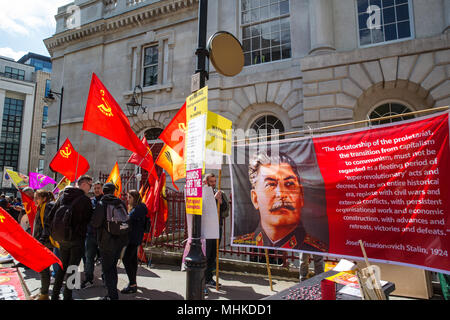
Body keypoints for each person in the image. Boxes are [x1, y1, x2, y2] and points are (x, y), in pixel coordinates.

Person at [235, 150, 328, 252]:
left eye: (289, 184)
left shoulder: (320, 250)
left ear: (301, 195)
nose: (281, 194)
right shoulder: (240, 246)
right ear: (255, 198)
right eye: (271, 185)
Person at [48, 175, 94, 300]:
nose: (91, 188)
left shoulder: (63, 196)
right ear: (83, 184)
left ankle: (56, 294)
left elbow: (51, 216)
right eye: (90, 185)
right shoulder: (84, 200)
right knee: (73, 267)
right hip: (77, 239)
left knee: (63, 266)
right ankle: (67, 295)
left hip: (62, 238)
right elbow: (90, 219)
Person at [91, 182, 129, 300]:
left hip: (106, 242)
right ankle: (113, 294)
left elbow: (95, 223)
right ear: (114, 191)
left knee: (107, 270)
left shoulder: (102, 203)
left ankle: (112, 295)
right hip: (119, 241)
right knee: (113, 268)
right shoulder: (121, 202)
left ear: (104, 191)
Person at [203, 173, 228, 289]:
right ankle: (203, 280)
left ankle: (209, 278)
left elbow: (223, 211)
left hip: (217, 226)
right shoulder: (203, 192)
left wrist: (220, 201)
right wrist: (213, 199)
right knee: (206, 255)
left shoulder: (218, 193)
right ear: (206, 181)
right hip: (207, 228)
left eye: (214, 181)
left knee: (213, 255)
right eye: (211, 181)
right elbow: (204, 209)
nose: (213, 183)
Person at [121, 190, 147, 294]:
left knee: (126, 259)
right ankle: (133, 282)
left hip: (134, 238)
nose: (128, 199)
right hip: (135, 237)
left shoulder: (139, 208)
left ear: (135, 198)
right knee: (132, 260)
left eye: (130, 197)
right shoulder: (138, 208)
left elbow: (128, 219)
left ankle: (132, 285)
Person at [31, 190, 55, 300]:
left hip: (45, 243)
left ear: (44, 198)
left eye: (37, 197)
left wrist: (40, 241)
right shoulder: (42, 207)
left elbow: (46, 226)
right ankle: (43, 291)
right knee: (43, 269)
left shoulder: (47, 207)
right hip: (43, 242)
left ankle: (44, 294)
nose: (35, 200)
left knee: (44, 269)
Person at [81, 181, 103, 289]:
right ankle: (89, 279)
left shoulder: (105, 201)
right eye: (95, 188)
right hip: (90, 234)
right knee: (89, 258)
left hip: (103, 236)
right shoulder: (90, 201)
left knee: (103, 259)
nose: (96, 190)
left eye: (98, 188)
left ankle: (105, 279)